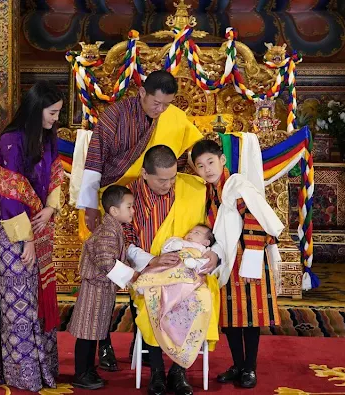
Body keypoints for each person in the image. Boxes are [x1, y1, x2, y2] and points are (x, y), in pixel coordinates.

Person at [74, 70, 203, 369]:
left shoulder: (171, 117)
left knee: (149, 270)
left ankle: (144, 338)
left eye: (166, 105)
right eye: (156, 103)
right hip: (114, 201)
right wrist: (92, 207)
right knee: (105, 278)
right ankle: (102, 344)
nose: (160, 110)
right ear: (143, 93)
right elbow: (95, 160)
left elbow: (186, 154)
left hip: (148, 201)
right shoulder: (114, 116)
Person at [0, 81, 64, 392]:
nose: (56, 118)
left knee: (38, 293)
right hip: (14, 228)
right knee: (18, 299)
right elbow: (10, 194)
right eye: (52, 112)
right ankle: (23, 372)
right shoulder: (10, 141)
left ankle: (45, 366)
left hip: (40, 225)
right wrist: (27, 237)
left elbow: (56, 174)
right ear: (35, 110)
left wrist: (52, 208)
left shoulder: (46, 137)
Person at [124, 145, 219, 395]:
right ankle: (156, 372)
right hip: (150, 270)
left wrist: (214, 254)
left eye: (172, 178)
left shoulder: (194, 189)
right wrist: (150, 261)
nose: (168, 185)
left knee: (199, 300)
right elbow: (124, 239)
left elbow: (214, 229)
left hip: (189, 272)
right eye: (161, 180)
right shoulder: (129, 196)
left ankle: (178, 371)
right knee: (153, 302)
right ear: (145, 173)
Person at [191, 139, 284, 389]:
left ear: (222, 160)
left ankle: (249, 368)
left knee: (250, 316)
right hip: (225, 258)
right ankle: (237, 364)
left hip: (248, 258)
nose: (207, 169)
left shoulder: (236, 186)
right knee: (230, 315)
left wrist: (251, 259)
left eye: (211, 162)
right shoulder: (211, 191)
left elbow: (255, 218)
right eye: (200, 166)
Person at [67, 185, 137, 390]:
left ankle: (89, 370)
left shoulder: (113, 227)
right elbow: (106, 261)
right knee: (87, 334)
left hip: (102, 290)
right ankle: (81, 373)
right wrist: (132, 275)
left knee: (94, 333)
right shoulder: (107, 230)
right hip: (94, 290)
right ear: (114, 211)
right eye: (130, 207)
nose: (133, 211)